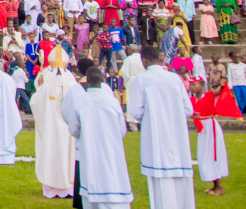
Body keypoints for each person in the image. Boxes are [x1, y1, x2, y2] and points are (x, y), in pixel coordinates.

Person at [127, 46, 194, 209]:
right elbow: (188, 110)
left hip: (156, 136)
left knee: (160, 186)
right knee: (180, 181)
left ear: (144, 61)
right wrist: (172, 114)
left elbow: (136, 111)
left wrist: (154, 115)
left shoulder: (141, 80)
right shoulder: (175, 78)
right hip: (177, 137)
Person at [64, 66, 134, 209]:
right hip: (111, 149)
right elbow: (122, 130)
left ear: (87, 81)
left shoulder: (81, 102)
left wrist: (87, 136)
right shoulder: (113, 102)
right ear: (102, 80)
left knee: (91, 181)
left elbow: (74, 129)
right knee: (113, 176)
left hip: (89, 148)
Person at [32, 52, 77, 198]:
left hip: (51, 126)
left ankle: (51, 189)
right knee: (67, 154)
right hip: (68, 128)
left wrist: (39, 88)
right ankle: (68, 187)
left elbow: (35, 103)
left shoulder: (46, 84)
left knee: (51, 151)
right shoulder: (71, 82)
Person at [188, 77, 238, 196]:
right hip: (203, 129)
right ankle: (215, 185)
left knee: (213, 154)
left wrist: (222, 84)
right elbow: (190, 112)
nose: (192, 87)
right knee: (205, 155)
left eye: (194, 84)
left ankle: (219, 186)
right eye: (191, 85)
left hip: (211, 127)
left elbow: (220, 91)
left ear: (201, 85)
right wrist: (194, 115)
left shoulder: (209, 95)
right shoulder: (192, 99)